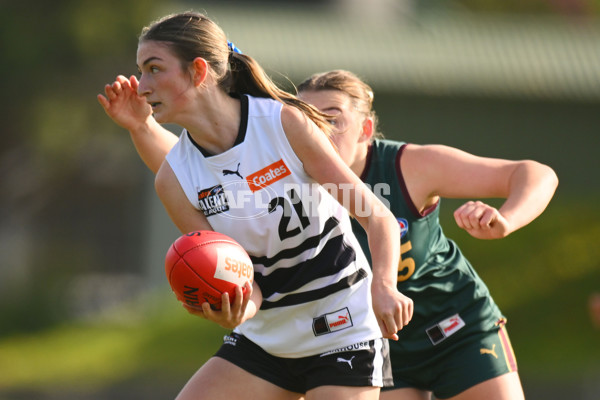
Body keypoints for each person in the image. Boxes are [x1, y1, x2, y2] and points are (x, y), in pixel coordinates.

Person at [102, 64, 559, 399]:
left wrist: (507, 220)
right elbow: (189, 173)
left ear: (366, 128)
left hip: (453, 327)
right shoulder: (290, 167)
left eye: (335, 116)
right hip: (373, 339)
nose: (321, 124)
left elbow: (533, 173)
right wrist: (142, 126)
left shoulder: (407, 166)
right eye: (310, 113)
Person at [98, 12, 414, 400]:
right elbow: (241, 280)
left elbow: (374, 214)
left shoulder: (284, 124)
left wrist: (384, 286)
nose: (142, 86)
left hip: (342, 326)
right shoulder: (173, 179)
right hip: (265, 340)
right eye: (140, 71)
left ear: (198, 71)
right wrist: (236, 308)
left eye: (154, 69)